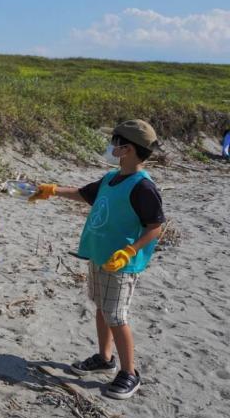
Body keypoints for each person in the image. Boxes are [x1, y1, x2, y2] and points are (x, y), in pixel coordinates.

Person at [30, 120, 164, 400]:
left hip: (121, 264)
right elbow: (83, 194)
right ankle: (105, 358)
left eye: (114, 143)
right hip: (100, 257)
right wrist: (52, 191)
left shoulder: (143, 187)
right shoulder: (111, 178)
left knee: (117, 316)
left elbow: (155, 227)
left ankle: (129, 372)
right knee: (102, 308)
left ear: (125, 149)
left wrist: (129, 251)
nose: (109, 147)